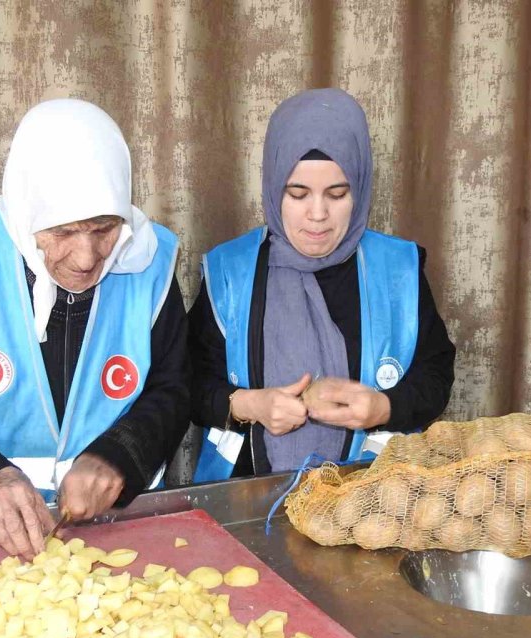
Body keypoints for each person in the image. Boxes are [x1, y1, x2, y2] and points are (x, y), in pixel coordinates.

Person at [0, 99, 190, 558]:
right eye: (63, 232)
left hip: (120, 527)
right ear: (28, 213)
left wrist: (118, 455)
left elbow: (173, 386)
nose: (87, 258)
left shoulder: (152, 258)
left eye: (104, 228)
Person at [188, 88, 455, 480]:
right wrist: (248, 405)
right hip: (245, 500)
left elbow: (435, 374)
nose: (317, 215)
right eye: (297, 194)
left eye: (337, 193)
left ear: (360, 190)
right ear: (273, 186)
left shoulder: (397, 269)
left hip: (372, 499)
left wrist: (385, 408)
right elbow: (187, 384)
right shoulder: (231, 270)